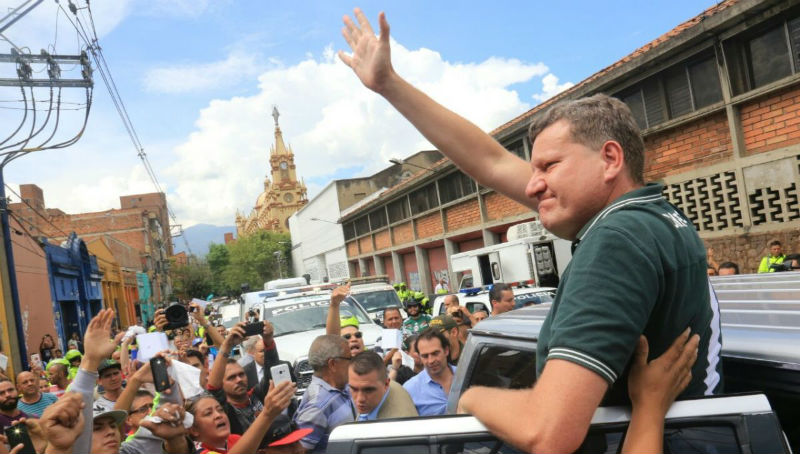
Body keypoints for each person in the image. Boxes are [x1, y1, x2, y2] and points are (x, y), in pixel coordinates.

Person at [340, 11, 722, 452]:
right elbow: (492, 161)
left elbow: (549, 431)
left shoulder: (616, 240)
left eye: (550, 166)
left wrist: (470, 396)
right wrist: (389, 84)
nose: (534, 183)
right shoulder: (654, 216)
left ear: (610, 159)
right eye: (534, 168)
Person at [184, 383, 303, 454]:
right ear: (193, 429)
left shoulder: (235, 439)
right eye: (208, 413)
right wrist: (267, 414)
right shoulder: (198, 451)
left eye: (220, 410)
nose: (218, 415)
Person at [293, 335, 355, 452]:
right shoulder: (316, 405)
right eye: (349, 359)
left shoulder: (343, 387)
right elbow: (299, 451)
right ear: (332, 364)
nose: (352, 363)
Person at [349, 351, 417, 420]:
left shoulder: (397, 425)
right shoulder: (380, 384)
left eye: (368, 390)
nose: (360, 399)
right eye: (354, 389)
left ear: (386, 384)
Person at [402, 329, 455, 416]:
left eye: (435, 353)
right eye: (425, 356)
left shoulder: (466, 375)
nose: (431, 360)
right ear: (419, 356)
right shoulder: (410, 389)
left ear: (446, 351)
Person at [326, 284, 367, 356]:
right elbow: (332, 337)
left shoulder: (372, 360)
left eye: (358, 335)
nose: (354, 339)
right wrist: (334, 304)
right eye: (347, 337)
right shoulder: (340, 364)